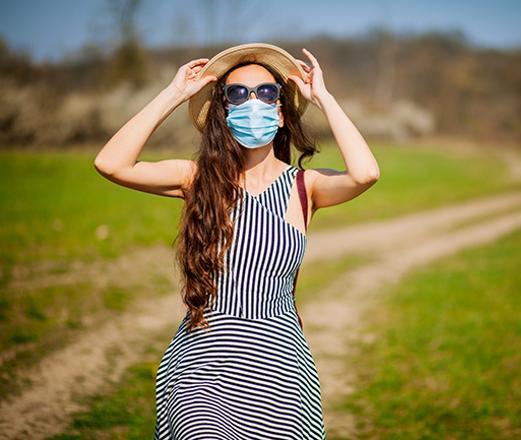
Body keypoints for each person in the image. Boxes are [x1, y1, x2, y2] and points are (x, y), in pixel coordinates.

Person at [93, 42, 379, 439]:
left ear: (281, 113)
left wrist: (324, 99)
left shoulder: (304, 187)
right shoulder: (197, 179)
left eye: (266, 92)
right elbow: (111, 163)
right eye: (238, 94)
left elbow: (365, 173)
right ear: (224, 112)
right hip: (201, 370)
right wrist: (175, 94)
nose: (253, 101)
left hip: (281, 373)